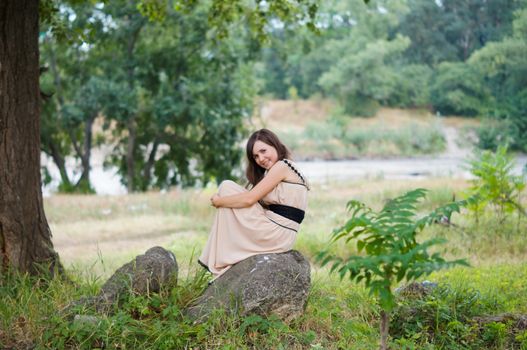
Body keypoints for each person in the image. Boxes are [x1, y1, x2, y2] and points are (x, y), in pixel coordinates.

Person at [198, 128, 309, 279]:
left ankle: (220, 260)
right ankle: (222, 258)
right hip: (279, 232)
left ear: (275, 145)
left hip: (277, 232)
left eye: (263, 151)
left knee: (226, 188)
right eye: (256, 156)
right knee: (228, 188)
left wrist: (219, 201)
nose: (261, 159)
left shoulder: (283, 166)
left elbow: (249, 199)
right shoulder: (274, 171)